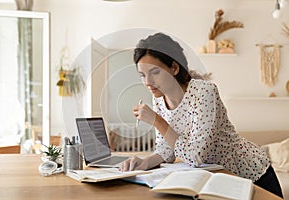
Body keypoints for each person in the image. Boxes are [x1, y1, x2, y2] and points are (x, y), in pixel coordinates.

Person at [120, 32, 283, 198]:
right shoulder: (159, 99)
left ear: (174, 68)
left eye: (155, 72)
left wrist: (156, 120)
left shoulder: (204, 92)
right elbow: (167, 149)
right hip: (215, 177)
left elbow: (195, 156)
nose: (147, 82)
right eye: (142, 75)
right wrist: (145, 162)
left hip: (250, 174)